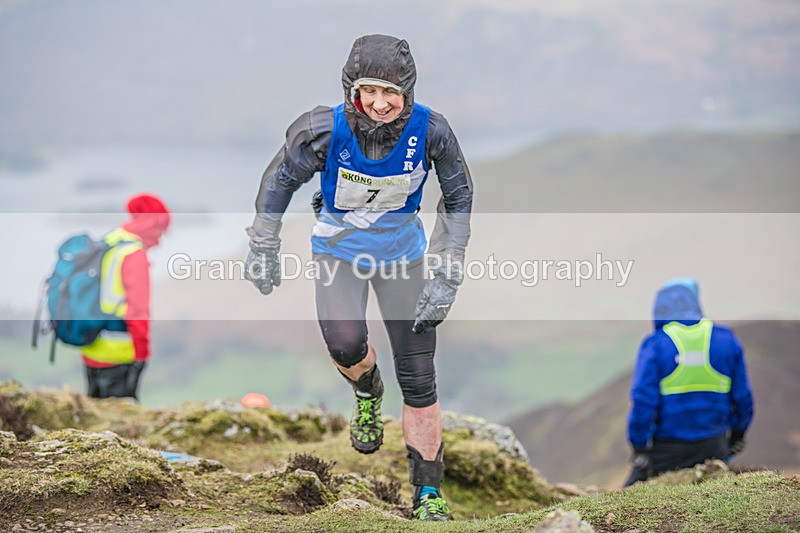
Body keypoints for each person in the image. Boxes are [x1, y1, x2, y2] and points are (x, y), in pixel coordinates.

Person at [245, 34, 472, 521]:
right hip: (338, 254)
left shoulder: (432, 131)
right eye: (370, 90)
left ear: (407, 93)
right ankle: (368, 392)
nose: (381, 103)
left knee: (419, 377)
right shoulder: (321, 128)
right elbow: (280, 178)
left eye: (392, 93)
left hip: (402, 258)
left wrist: (446, 272)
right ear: (353, 88)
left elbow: (458, 197)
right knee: (346, 345)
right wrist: (263, 242)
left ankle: (428, 495)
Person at [624, 278, 754, 486]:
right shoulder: (725, 340)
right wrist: (737, 436)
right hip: (714, 444)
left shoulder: (656, 344)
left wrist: (639, 446)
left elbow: (643, 400)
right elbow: (743, 397)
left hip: (666, 450)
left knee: (630, 500)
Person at [81, 193, 171, 401]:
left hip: (92, 345)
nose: (162, 237)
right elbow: (137, 310)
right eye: (162, 229)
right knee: (119, 424)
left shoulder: (110, 241)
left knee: (93, 419)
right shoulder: (134, 255)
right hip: (119, 353)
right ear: (153, 225)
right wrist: (142, 353)